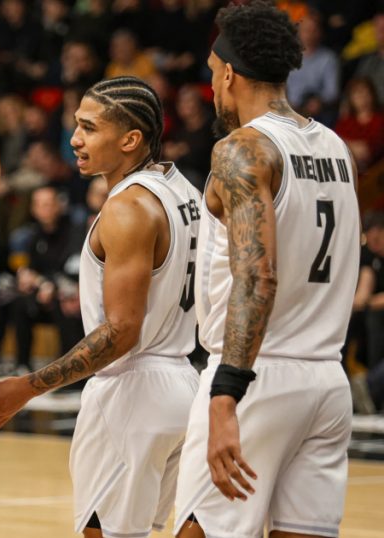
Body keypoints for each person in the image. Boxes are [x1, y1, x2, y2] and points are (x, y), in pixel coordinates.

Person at [172, 3, 359, 537]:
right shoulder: (336, 147)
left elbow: (258, 278)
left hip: (257, 376)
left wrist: (226, 392)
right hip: (327, 380)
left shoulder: (243, 149)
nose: (212, 87)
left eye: (213, 74)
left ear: (230, 74)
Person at [0, 76, 201, 538]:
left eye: (89, 128)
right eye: (76, 125)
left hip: (131, 392)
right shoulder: (187, 192)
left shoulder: (128, 207)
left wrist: (28, 386)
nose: (74, 139)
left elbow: (121, 331)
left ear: (130, 139)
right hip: (181, 384)